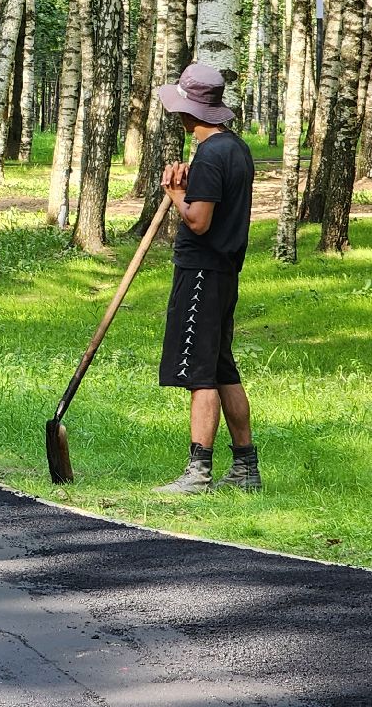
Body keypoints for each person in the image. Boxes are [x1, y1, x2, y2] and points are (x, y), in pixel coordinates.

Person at [153, 61, 259, 494]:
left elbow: (198, 220)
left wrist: (176, 193)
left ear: (190, 110)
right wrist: (187, 185)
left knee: (201, 375)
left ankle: (198, 473)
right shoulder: (236, 148)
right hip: (224, 273)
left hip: (202, 273)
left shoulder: (211, 154)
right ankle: (246, 468)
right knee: (222, 369)